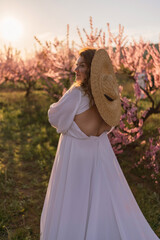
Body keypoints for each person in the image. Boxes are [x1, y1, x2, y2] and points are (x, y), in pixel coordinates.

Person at [40, 48, 159, 240]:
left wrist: (59, 105)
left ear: (92, 70)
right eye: (76, 65)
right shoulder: (106, 97)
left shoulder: (76, 94)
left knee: (75, 200)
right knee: (100, 199)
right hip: (99, 154)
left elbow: (54, 116)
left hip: (76, 156)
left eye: (82, 66)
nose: (76, 70)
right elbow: (109, 123)